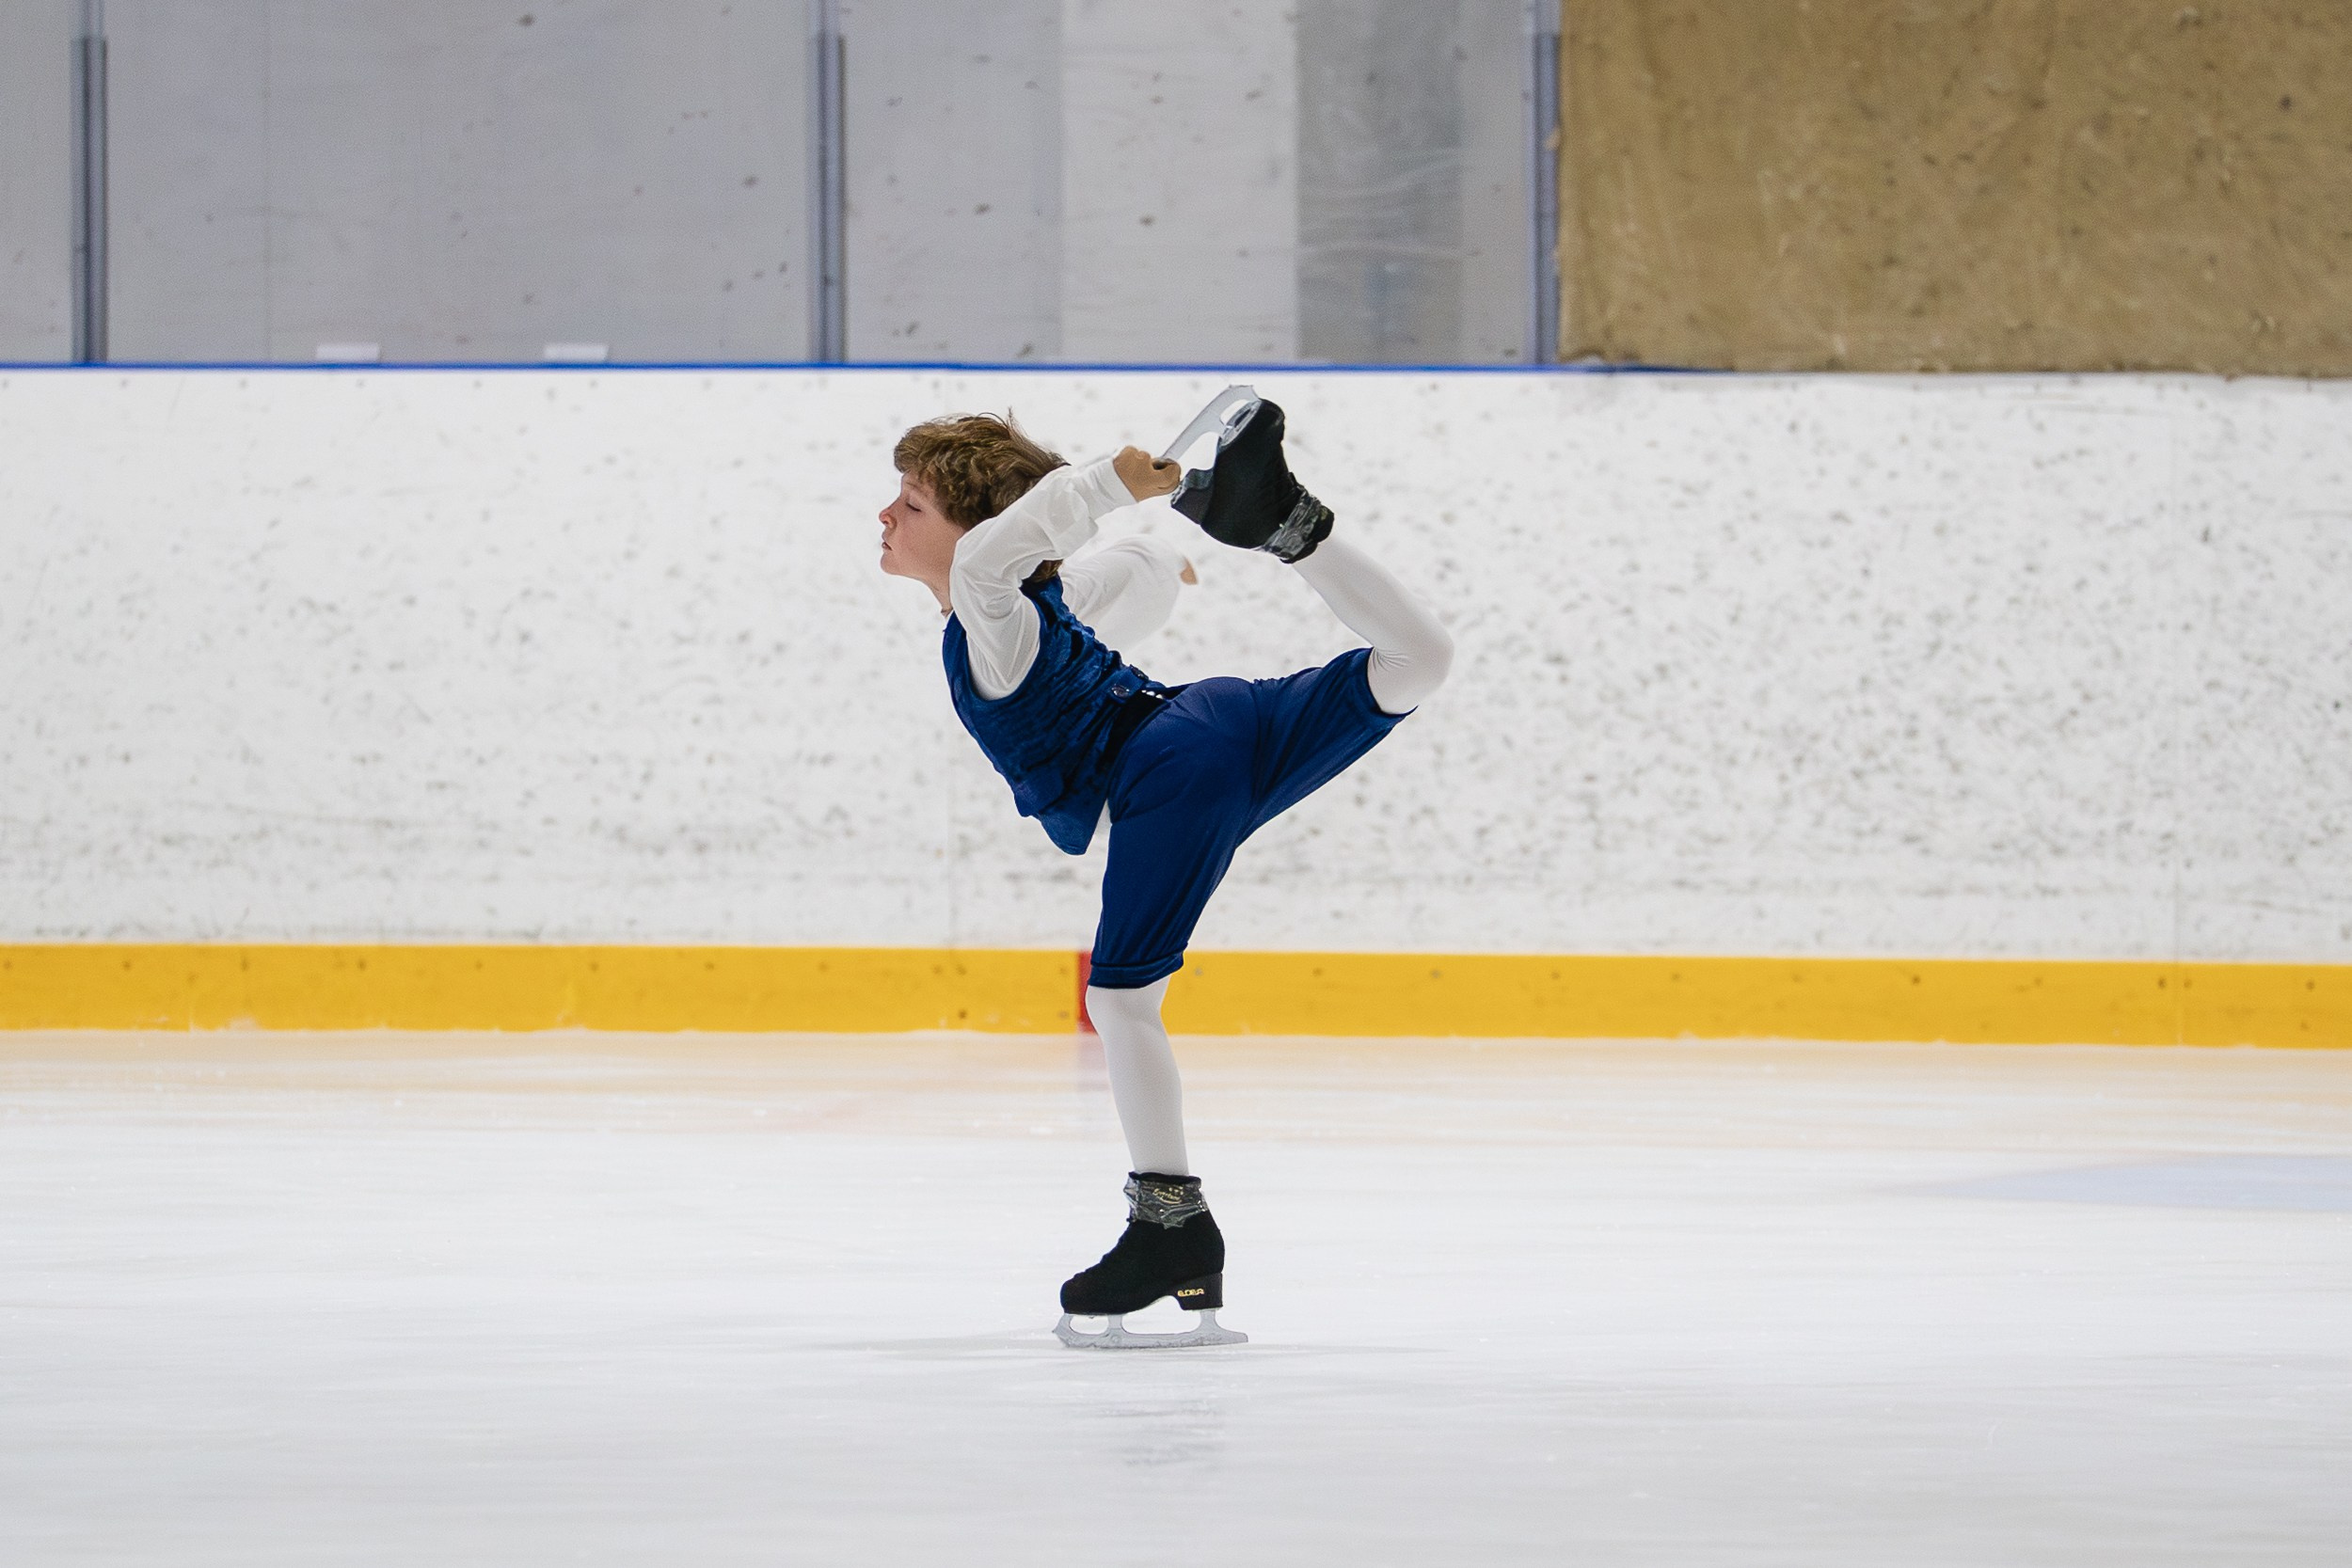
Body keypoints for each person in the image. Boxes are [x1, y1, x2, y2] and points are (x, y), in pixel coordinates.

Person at [875, 393, 1453, 1347]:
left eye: (912, 505)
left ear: (978, 532)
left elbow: (998, 554)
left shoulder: (990, 596)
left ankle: (1170, 1225)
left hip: (1168, 775)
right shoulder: (1023, 611)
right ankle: (1290, 529)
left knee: (1121, 1001)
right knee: (1418, 658)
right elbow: (1124, 577)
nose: (887, 519)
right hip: (1210, 726)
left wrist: (1110, 483)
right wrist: (1165, 549)